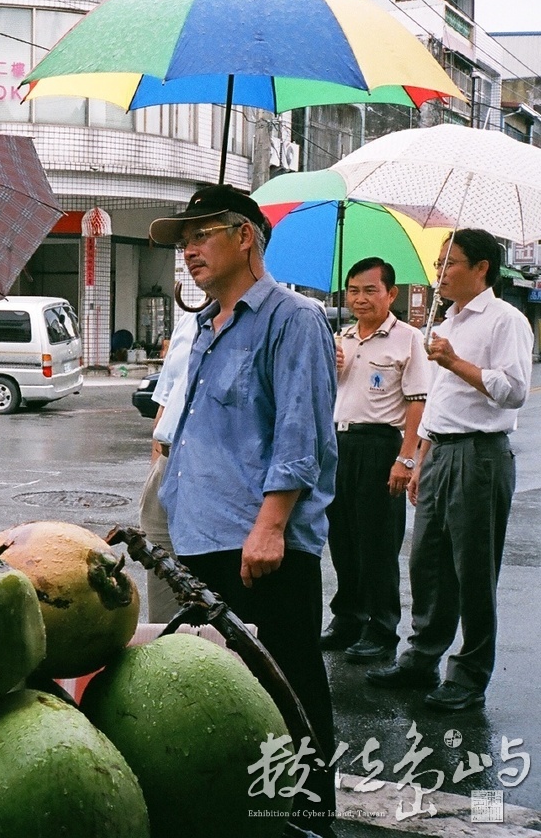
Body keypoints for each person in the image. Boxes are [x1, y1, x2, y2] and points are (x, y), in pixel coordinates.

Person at [152, 185, 338, 832]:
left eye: (200, 234)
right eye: (183, 241)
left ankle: (311, 817)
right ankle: (249, 816)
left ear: (244, 237)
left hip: (260, 546)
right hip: (202, 538)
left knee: (289, 689)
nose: (187, 250)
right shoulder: (207, 324)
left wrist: (271, 525)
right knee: (231, 697)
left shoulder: (293, 319)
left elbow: (300, 433)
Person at [366, 229, 533, 711]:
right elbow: (437, 401)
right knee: (428, 563)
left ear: (482, 268)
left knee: (474, 570)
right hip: (439, 453)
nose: (441, 272)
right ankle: (421, 657)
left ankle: (469, 675)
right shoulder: (449, 321)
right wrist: (420, 457)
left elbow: (515, 390)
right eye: (439, 262)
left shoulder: (507, 321)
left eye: (451, 262)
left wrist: (456, 362)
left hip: (480, 456)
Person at [321, 258, 430, 664]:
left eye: (370, 290)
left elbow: (418, 402)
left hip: (380, 445)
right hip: (339, 444)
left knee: (378, 543)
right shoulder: (341, 338)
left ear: (391, 294)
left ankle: (382, 628)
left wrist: (406, 458)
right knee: (342, 539)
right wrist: (329, 367)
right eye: (354, 290)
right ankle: (347, 618)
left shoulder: (408, 339)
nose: (360, 299)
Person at [137, 309, 197, 623]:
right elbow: (165, 400)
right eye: (183, 254)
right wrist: (155, 467)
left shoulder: (277, 318)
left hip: (211, 469)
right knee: (163, 590)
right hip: (167, 463)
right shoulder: (189, 321)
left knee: (209, 601)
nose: (189, 256)